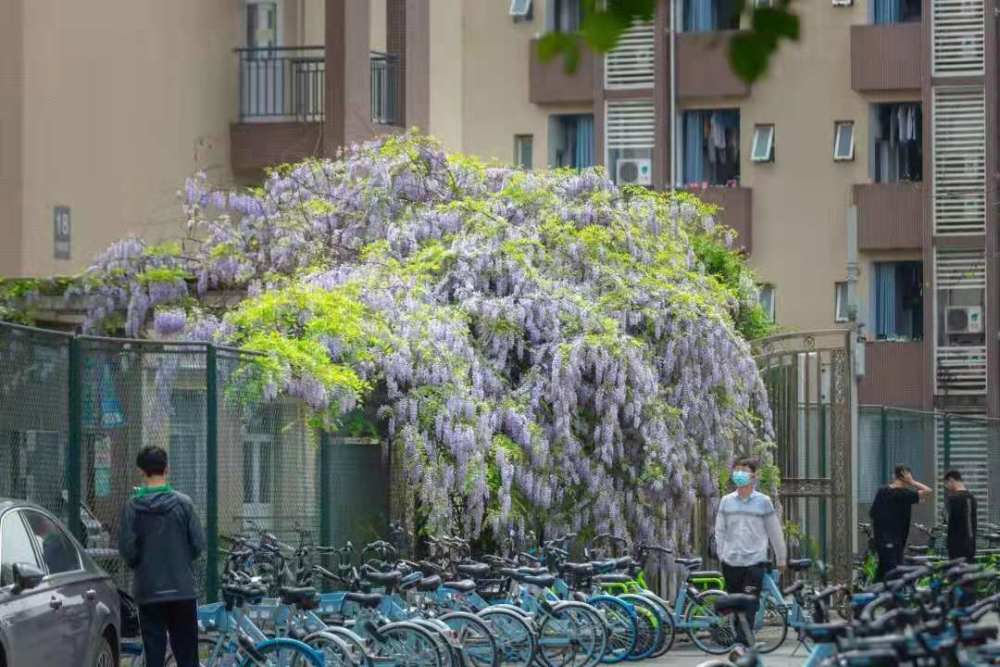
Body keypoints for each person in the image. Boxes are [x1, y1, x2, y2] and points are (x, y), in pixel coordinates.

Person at [119, 446, 205, 667]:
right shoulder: (184, 504)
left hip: (149, 592)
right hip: (182, 590)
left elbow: (128, 551)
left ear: (142, 472)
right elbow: (198, 544)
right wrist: (181, 560)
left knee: (154, 656)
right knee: (187, 656)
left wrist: (143, 563)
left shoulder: (132, 507)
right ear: (167, 468)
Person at [714, 457, 787, 651]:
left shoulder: (763, 502)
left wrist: (781, 557)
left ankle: (741, 642)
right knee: (735, 602)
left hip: (755, 560)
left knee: (750, 601)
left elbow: (774, 531)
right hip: (731, 560)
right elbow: (719, 530)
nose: (739, 474)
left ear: (753, 476)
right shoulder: (726, 501)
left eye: (744, 470)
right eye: (736, 470)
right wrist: (721, 554)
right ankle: (742, 639)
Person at [869, 464, 931, 581]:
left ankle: (875, 594)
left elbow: (872, 513)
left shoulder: (882, 491)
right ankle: (888, 596)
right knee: (893, 572)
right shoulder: (903, 493)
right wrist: (912, 482)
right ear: (904, 476)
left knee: (883, 570)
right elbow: (928, 491)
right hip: (895, 540)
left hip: (882, 539)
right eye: (909, 475)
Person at [944, 470, 977, 561]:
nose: (946, 487)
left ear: (951, 480)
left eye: (946, 484)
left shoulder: (962, 498)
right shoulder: (969, 497)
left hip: (960, 546)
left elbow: (968, 524)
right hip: (965, 545)